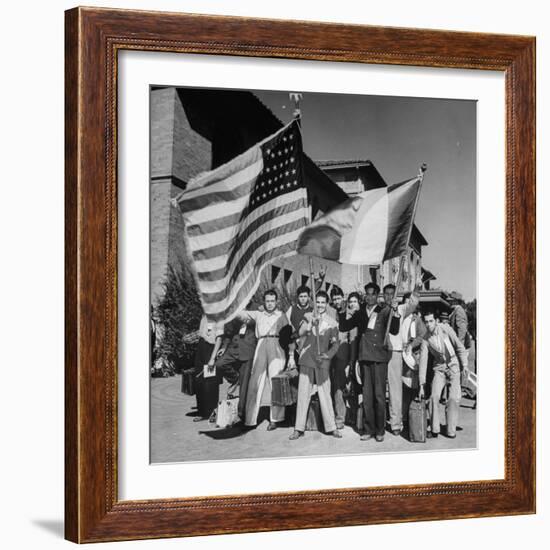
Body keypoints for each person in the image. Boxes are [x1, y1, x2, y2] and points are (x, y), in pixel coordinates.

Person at [338, 282, 401, 442]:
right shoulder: (359, 313)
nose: (370, 296)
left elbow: (394, 329)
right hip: (365, 356)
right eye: (368, 294)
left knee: (379, 396)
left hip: (379, 357)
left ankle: (380, 430)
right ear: (365, 295)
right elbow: (344, 326)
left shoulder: (384, 310)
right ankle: (368, 429)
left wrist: (395, 311)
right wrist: (341, 309)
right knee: (367, 396)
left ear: (377, 295)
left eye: (373, 294)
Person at [289, 291, 342, 440]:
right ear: (314, 302)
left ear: (327, 304)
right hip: (306, 360)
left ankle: (331, 427)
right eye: (317, 302)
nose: (319, 305)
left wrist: (328, 355)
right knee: (303, 394)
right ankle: (298, 428)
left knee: (325, 394)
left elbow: (335, 343)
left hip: (322, 361)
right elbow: (299, 333)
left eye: (322, 302)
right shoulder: (308, 316)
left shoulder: (332, 322)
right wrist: (310, 324)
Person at [237, 289, 290, 430]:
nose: (270, 304)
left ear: (276, 301)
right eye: (267, 301)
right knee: (255, 382)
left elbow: (289, 334)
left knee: (276, 382)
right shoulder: (258, 314)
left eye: (272, 301)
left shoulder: (281, 315)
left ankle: (276, 419)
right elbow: (240, 314)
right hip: (261, 344)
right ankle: (250, 419)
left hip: (277, 345)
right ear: (264, 302)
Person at [419, 311, 469, 438]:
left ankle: (451, 430)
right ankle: (435, 429)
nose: (429, 324)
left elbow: (459, 347)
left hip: (453, 365)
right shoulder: (425, 339)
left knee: (453, 398)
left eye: (431, 321)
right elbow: (423, 363)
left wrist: (465, 365)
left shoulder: (446, 329)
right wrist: (421, 384)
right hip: (439, 368)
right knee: (434, 396)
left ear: (436, 321)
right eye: (426, 322)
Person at [215, 315, 257, 419]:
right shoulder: (233, 311)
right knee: (219, 364)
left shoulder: (256, 310)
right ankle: (236, 378)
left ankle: (242, 414)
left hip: (248, 350)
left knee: (244, 386)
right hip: (232, 349)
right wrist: (224, 347)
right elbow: (228, 333)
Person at [398, 293, 427, 429]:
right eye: (406, 301)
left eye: (411, 301)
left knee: (411, 388)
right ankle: (402, 419)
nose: (409, 304)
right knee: (401, 389)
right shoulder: (399, 316)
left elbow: (422, 335)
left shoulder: (417, 320)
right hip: (398, 355)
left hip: (411, 356)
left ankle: (412, 418)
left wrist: (412, 344)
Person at [328, 287, 353, 429]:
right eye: (334, 298)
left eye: (339, 298)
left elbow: (351, 336)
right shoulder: (330, 312)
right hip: (331, 353)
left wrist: (350, 360)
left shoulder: (350, 313)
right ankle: (339, 416)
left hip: (344, 354)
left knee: (344, 386)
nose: (337, 301)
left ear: (343, 297)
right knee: (335, 386)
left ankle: (344, 417)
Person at [192, 315, 224, 422]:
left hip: (210, 350)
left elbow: (219, 338)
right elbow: (203, 332)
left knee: (210, 383)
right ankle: (202, 412)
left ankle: (212, 413)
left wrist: (212, 358)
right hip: (201, 348)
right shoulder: (204, 315)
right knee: (199, 381)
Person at [286, 285, 313, 369]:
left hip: (308, 346)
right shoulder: (292, 309)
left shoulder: (313, 310)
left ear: (309, 297)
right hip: (293, 346)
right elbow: (286, 324)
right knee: (293, 371)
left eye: (305, 296)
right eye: (301, 296)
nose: (303, 299)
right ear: (297, 297)